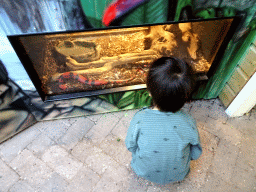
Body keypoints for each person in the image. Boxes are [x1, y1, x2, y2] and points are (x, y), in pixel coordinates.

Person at [125, 56, 202, 185]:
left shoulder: (140, 119)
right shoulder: (189, 121)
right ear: (185, 97)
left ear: (150, 91)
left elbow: (131, 145)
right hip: (179, 174)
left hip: (144, 171)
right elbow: (196, 152)